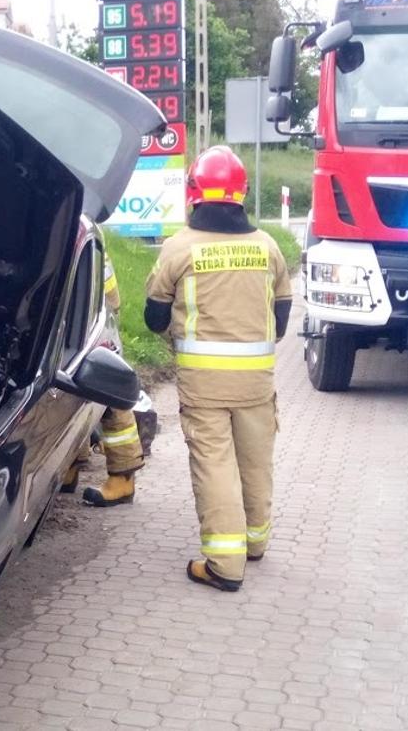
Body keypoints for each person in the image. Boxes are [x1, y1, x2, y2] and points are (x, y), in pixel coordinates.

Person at [143, 146, 292, 592]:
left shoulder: (178, 249)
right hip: (257, 384)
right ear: (241, 195)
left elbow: (154, 318)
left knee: (215, 465)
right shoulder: (266, 247)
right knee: (255, 461)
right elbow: (281, 318)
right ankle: (255, 542)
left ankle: (225, 565)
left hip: (203, 386)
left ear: (193, 193)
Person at [61, 257, 146, 506]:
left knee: (112, 402)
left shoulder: (80, 235)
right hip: (70, 329)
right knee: (65, 395)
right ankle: (68, 468)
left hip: (93, 329)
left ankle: (122, 479)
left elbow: (111, 297)